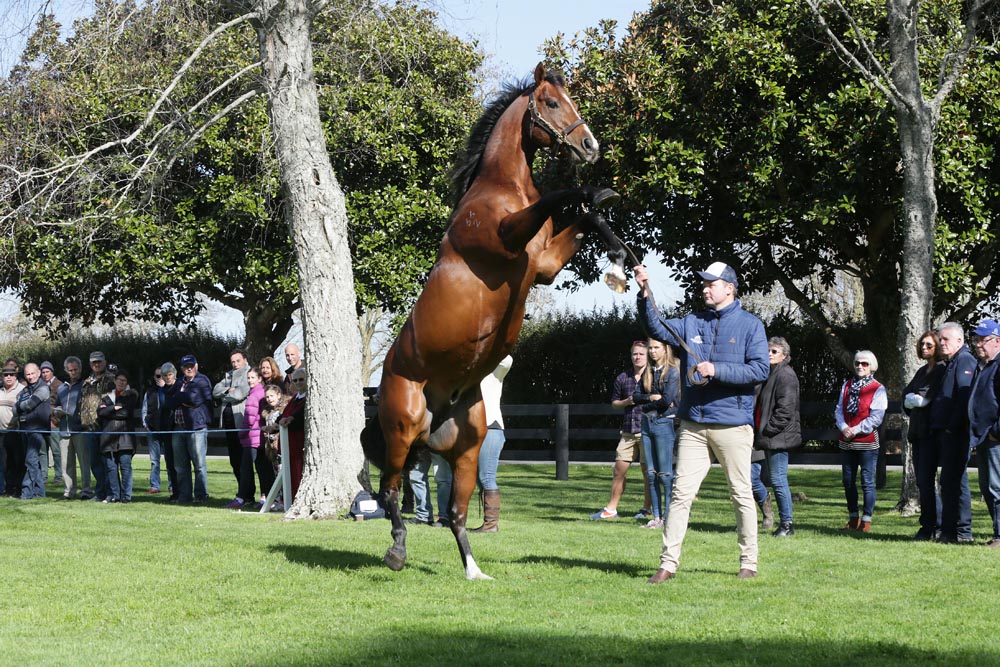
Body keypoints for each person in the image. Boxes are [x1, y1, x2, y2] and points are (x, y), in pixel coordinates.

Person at [636, 261, 768, 582]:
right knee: (681, 494)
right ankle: (668, 564)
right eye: (704, 284)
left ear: (729, 289)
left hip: (733, 425)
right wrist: (644, 293)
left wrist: (716, 370)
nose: (705, 288)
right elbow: (657, 328)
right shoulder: (692, 321)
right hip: (693, 425)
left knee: (741, 494)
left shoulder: (751, 326)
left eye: (711, 284)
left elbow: (760, 369)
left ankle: (748, 563)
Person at [590, 341, 653, 521]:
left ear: (647, 356)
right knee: (619, 470)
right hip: (628, 432)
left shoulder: (654, 376)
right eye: (635, 354)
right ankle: (611, 510)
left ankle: (646, 510)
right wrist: (626, 402)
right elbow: (614, 403)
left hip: (647, 430)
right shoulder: (623, 377)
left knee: (647, 473)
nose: (637, 357)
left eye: (641, 354)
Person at [926, 322, 977, 544]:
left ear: (959, 340)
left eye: (945, 339)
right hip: (947, 432)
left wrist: (951, 427)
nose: (942, 343)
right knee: (951, 481)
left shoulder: (964, 360)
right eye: (940, 339)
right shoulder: (951, 363)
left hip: (956, 434)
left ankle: (959, 531)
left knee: (953, 482)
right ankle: (953, 531)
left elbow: (964, 397)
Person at [752, 337, 801, 537]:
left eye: (774, 351)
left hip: (778, 437)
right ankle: (782, 523)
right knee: (767, 478)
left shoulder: (786, 375)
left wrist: (767, 430)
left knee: (779, 480)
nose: (769, 354)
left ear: (784, 355)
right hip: (766, 436)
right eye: (768, 350)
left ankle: (787, 525)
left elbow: (785, 410)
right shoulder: (769, 374)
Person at [834, 350, 887, 532]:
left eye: (865, 364)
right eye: (857, 363)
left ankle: (866, 520)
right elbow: (839, 410)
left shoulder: (878, 388)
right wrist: (844, 427)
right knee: (848, 481)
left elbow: (876, 417)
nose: (860, 366)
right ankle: (853, 518)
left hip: (867, 442)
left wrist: (855, 430)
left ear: (871, 366)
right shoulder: (847, 385)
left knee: (867, 481)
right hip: (847, 440)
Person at [633, 338, 680, 530]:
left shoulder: (673, 372)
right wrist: (650, 398)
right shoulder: (648, 371)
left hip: (663, 423)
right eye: (650, 348)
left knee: (665, 474)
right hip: (647, 423)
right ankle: (656, 518)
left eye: (656, 348)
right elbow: (636, 396)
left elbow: (667, 400)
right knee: (651, 474)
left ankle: (669, 518)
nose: (652, 351)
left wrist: (648, 404)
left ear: (665, 349)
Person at [902, 330, 944, 540]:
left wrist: (916, 400)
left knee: (927, 481)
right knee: (921, 481)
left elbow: (924, 398)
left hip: (930, 433)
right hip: (917, 432)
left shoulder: (941, 369)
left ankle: (934, 525)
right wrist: (913, 400)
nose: (924, 348)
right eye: (922, 345)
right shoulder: (921, 371)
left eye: (929, 345)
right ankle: (928, 524)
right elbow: (907, 396)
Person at [472, 355, 513, 533]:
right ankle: (488, 523)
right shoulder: (472, 374)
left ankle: (491, 524)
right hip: (475, 430)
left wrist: (488, 348)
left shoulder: (495, 373)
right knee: (478, 478)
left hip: (491, 428)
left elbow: (507, 359)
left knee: (487, 476)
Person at [969, 319, 1000, 547]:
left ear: (997, 341)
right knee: (986, 487)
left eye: (983, 340)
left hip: (994, 438)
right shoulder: (983, 367)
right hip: (982, 437)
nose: (978, 344)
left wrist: (995, 433)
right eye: (976, 340)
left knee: (996, 487)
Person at [166, 355, 213, 503]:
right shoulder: (180, 381)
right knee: (180, 466)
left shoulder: (202, 381)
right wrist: (183, 398)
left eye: (191, 366)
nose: (189, 369)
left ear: (196, 366)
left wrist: (180, 398)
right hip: (178, 428)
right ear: (181, 369)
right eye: (186, 367)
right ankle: (184, 496)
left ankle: (201, 496)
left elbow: (194, 399)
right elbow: (169, 401)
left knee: (199, 465)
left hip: (196, 427)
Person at [226, 368, 274, 510]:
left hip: (252, 438)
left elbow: (249, 419)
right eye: (248, 378)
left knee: (245, 469)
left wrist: (242, 433)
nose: (250, 380)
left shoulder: (254, 396)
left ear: (259, 379)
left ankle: (241, 497)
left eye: (253, 377)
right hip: (259, 438)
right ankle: (266, 496)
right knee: (262, 469)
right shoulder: (261, 393)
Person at [78, 351, 116, 501]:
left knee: (107, 463)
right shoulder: (86, 382)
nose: (97, 364)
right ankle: (100, 493)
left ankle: (109, 493)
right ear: (90, 364)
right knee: (94, 463)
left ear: (104, 362)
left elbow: (112, 401)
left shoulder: (111, 379)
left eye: (99, 361)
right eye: (94, 362)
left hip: (105, 427)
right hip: (89, 428)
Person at [97, 370, 138, 503]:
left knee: (125, 467)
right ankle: (115, 495)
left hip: (125, 438)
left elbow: (125, 413)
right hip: (108, 438)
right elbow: (100, 412)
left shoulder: (131, 396)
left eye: (124, 380)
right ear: (115, 381)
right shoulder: (107, 397)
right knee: (111, 467)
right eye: (119, 380)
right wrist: (114, 408)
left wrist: (109, 410)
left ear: (127, 383)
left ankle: (126, 496)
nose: (121, 382)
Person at [213, 349, 251, 487]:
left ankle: (247, 492)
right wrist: (228, 390)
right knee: (234, 460)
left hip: (241, 423)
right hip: (229, 425)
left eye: (238, 361)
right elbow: (215, 390)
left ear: (245, 360)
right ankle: (241, 490)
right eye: (233, 362)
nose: (235, 364)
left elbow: (239, 394)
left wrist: (225, 396)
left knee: (244, 460)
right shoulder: (229, 375)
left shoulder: (249, 374)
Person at [55, 357, 89, 500]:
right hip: (64, 429)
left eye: (75, 369)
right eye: (70, 370)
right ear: (66, 371)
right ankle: (69, 491)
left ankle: (86, 490)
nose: (73, 372)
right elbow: (57, 405)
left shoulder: (85, 386)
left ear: (80, 369)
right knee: (66, 464)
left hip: (80, 429)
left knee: (84, 463)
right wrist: (57, 412)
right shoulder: (61, 388)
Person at [17, 362, 51, 499]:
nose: (30, 376)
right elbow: (15, 409)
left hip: (37, 429)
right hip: (24, 429)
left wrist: (20, 406)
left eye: (32, 373)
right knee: (33, 462)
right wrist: (20, 406)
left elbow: (29, 404)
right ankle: (39, 492)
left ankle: (26, 492)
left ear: (38, 373)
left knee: (30, 460)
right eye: (27, 374)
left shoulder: (43, 388)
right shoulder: (25, 390)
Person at [279, 367, 307, 502]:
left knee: (298, 473)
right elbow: (284, 414)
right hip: (289, 443)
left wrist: (291, 419)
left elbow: (298, 416)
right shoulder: (295, 398)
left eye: (301, 379)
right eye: (295, 380)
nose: (298, 382)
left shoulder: (308, 398)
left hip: (299, 442)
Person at [141, 365, 170, 494]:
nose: (160, 378)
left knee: (170, 459)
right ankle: (155, 486)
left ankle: (172, 486)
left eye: (163, 375)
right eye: (158, 376)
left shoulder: (171, 390)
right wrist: (145, 424)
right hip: (152, 430)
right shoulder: (149, 392)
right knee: (154, 461)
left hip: (167, 430)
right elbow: (144, 409)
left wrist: (164, 389)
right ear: (154, 377)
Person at [0, 361, 25, 496]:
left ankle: (17, 489)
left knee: (17, 462)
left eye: (11, 374)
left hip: (16, 432)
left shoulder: (22, 390)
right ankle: (7, 489)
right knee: (4, 464)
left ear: (16, 376)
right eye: (6, 375)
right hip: (1, 433)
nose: (8, 377)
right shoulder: (0, 391)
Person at [158, 363, 180, 501]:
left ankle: (185, 492)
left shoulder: (179, 387)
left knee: (180, 463)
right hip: (165, 430)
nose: (168, 377)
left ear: (174, 374)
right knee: (170, 464)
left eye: (170, 374)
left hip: (177, 428)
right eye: (165, 375)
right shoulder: (161, 391)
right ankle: (175, 492)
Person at [40, 361, 63, 485]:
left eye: (47, 371)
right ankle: (43, 477)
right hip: (41, 424)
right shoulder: (39, 385)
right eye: (43, 372)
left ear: (52, 372)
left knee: (56, 451)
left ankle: (58, 476)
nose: (45, 374)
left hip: (54, 424)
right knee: (42, 452)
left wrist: (55, 421)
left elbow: (62, 406)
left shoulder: (60, 385)